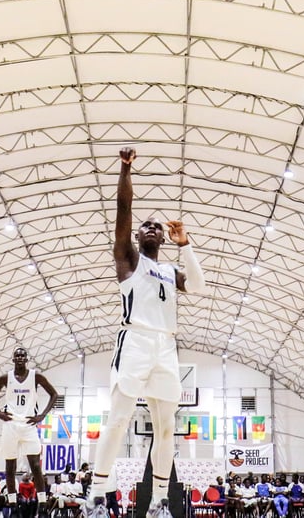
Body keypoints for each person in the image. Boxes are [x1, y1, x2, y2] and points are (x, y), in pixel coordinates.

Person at [85, 147, 208, 517]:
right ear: (137, 236)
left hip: (166, 347)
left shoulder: (171, 271)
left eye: (158, 226)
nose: (152, 228)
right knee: (120, 418)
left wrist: (186, 244)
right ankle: (96, 495)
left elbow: (199, 286)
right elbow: (123, 211)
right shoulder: (129, 260)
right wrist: (125, 171)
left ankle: (158, 502)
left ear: (165, 238)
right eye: (147, 225)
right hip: (135, 340)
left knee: (167, 428)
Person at [0, 347, 59, 508]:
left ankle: (42, 502)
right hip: (10, 424)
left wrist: (42, 415)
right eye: (17, 355)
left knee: (35, 465)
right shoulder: (6, 378)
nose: (19, 358)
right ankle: (12, 504)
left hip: (28, 424)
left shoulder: (35, 376)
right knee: (10, 466)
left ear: (26, 359)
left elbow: (54, 394)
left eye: (22, 355)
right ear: (13, 359)